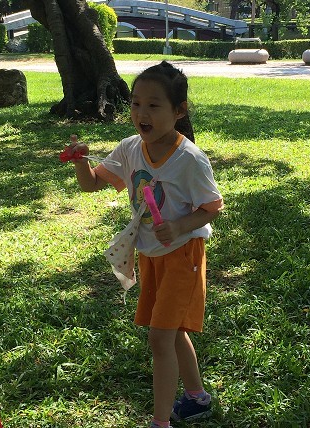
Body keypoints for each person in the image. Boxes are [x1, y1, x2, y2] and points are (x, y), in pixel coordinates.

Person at [63, 61, 223, 428]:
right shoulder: (130, 148)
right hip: (150, 254)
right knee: (173, 330)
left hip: (183, 255)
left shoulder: (189, 160)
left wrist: (180, 225)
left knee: (159, 337)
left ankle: (160, 422)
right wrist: (79, 161)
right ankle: (197, 397)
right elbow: (91, 184)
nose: (141, 113)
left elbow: (213, 206)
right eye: (136, 103)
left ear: (178, 111)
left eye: (153, 105)